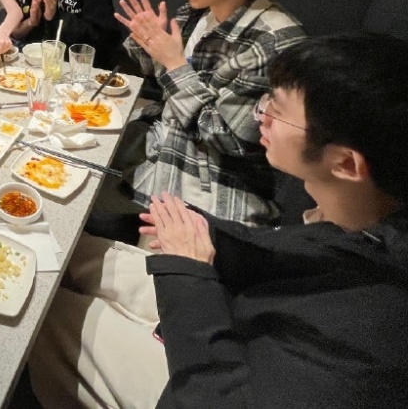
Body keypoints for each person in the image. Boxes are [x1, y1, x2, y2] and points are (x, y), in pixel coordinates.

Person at [29, 32, 408, 408]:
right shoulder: (359, 226)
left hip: (205, 375)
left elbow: (220, 396)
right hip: (228, 306)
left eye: (277, 110)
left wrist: (189, 271)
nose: (262, 115)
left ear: (345, 164)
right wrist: (206, 235)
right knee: (66, 248)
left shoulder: (372, 324)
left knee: (42, 309)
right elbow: (287, 259)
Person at [112, 0, 305, 224]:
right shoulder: (199, 12)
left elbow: (229, 139)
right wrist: (150, 43)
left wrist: (174, 63)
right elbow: (162, 78)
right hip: (165, 132)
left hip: (216, 175)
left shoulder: (272, 43)